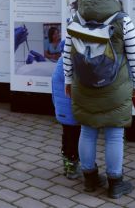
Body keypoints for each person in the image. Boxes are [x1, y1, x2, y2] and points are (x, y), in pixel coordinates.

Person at [63, 0, 135, 199]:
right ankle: (115, 183)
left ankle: (89, 179)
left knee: (87, 130)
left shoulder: (76, 17)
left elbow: (68, 53)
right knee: (114, 134)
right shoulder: (122, 19)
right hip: (115, 87)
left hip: (83, 85)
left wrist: (68, 80)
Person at [51, 40, 81, 179]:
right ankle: (73, 167)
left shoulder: (58, 65)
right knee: (75, 139)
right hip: (72, 113)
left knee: (67, 137)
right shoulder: (71, 66)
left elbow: (54, 90)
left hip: (62, 112)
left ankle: (67, 163)